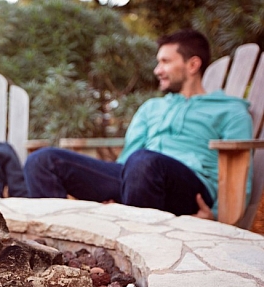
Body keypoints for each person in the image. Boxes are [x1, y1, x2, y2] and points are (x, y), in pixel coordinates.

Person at [24, 29, 253, 219]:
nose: (157, 70)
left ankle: (136, 240)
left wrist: (215, 215)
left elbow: (242, 173)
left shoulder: (230, 110)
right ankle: (61, 250)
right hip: (137, 176)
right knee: (42, 161)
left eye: (165, 62)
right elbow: (128, 158)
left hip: (190, 190)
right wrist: (115, 187)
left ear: (192, 65)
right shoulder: (151, 107)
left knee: (144, 162)